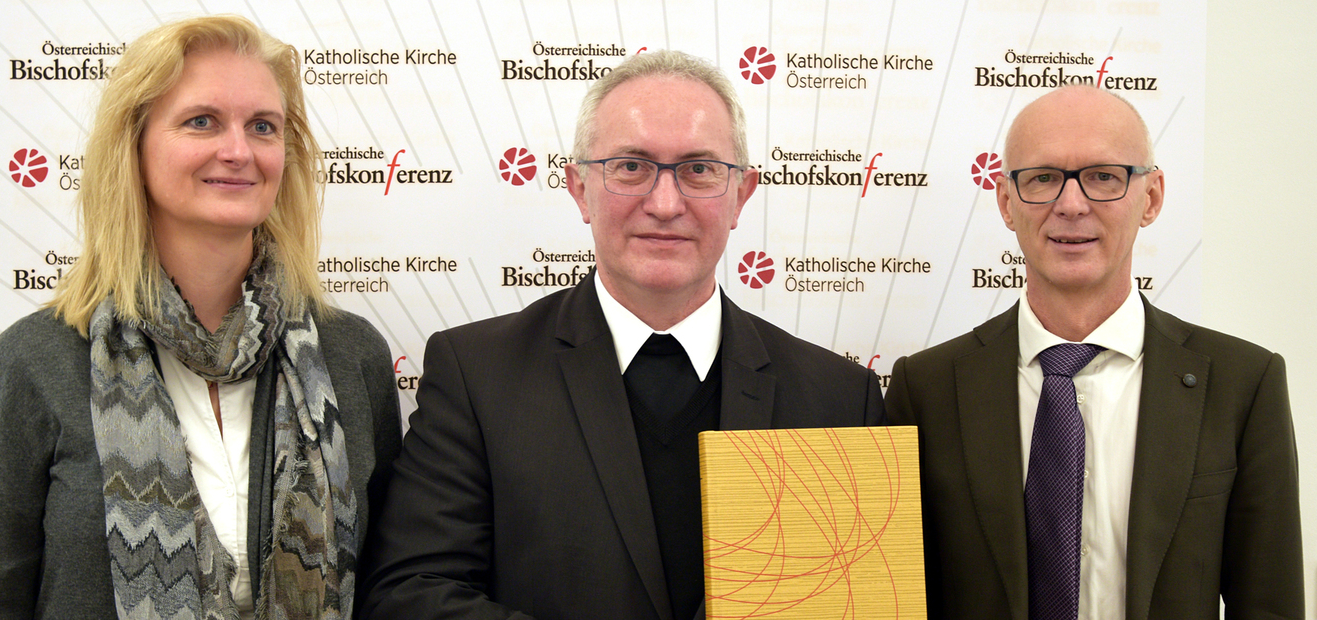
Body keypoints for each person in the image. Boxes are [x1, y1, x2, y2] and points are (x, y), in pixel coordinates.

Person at [358, 50, 884, 620]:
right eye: (631, 166)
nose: (665, 204)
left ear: (741, 195)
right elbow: (411, 592)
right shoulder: (477, 375)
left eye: (699, 170)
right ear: (579, 188)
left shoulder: (840, 399)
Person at [0, 15, 401, 619]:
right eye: (201, 121)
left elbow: (389, 591)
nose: (238, 151)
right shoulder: (35, 360)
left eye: (262, 126)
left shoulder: (351, 354)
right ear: (132, 147)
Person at [885, 85, 1302, 620]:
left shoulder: (1244, 384)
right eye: (1043, 178)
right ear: (1007, 202)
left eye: (1104, 177)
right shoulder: (926, 390)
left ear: (1151, 197)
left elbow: (1270, 605)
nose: (1071, 205)